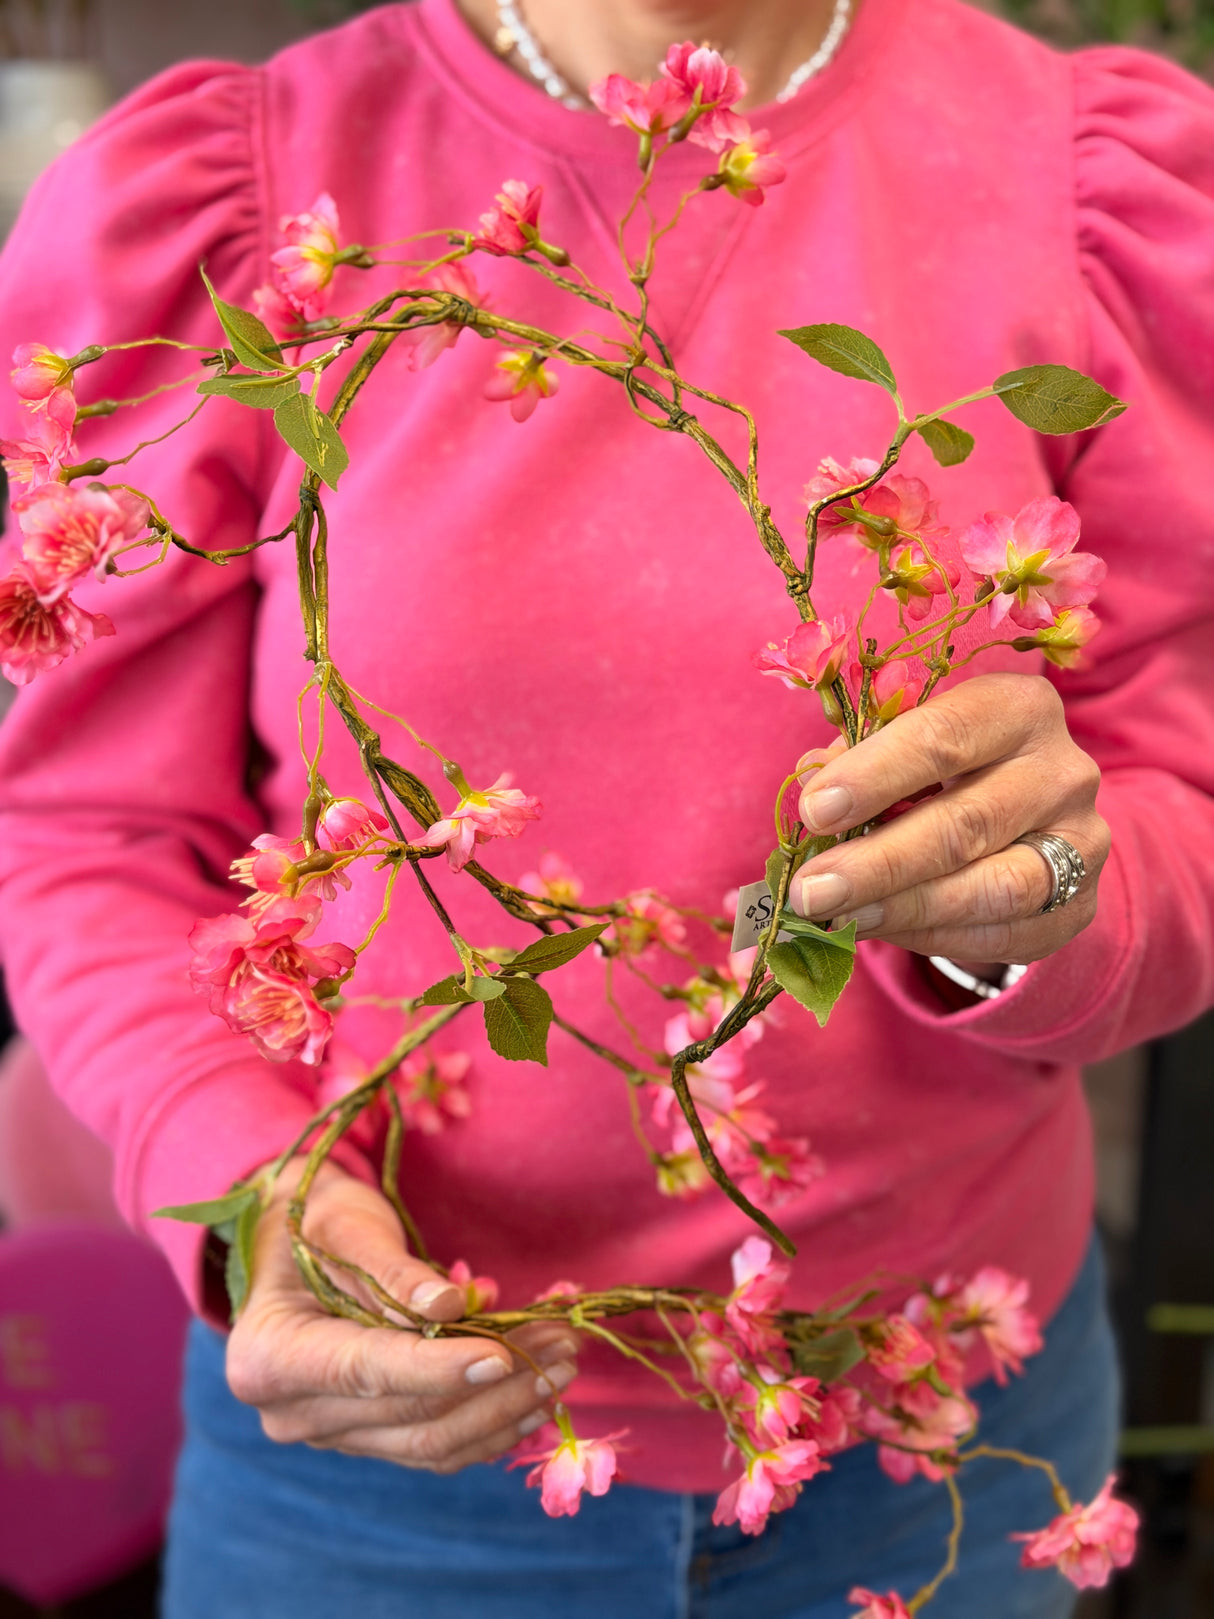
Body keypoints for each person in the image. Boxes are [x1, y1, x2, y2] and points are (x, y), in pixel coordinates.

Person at [0, 0, 1211, 1613]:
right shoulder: (246, 202)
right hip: (383, 1462)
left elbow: (1173, 808)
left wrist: (1057, 892)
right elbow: (92, 839)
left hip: (939, 1428)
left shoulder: (1091, 177)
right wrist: (249, 1183)